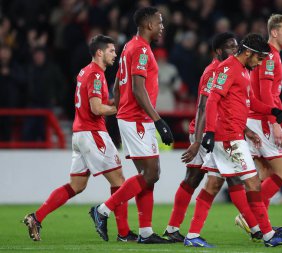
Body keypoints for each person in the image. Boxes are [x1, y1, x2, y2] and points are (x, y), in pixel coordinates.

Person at [183, 33, 282, 248]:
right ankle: (268, 235)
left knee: (213, 185)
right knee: (253, 182)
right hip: (228, 138)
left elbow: (250, 101)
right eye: (259, 58)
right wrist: (209, 132)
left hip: (232, 135)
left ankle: (192, 235)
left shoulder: (244, 71)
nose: (260, 63)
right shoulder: (227, 68)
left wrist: (271, 109)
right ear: (249, 53)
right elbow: (212, 100)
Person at [23, 35, 137, 242]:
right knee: (120, 181)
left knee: (77, 185)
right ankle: (124, 232)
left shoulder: (85, 71)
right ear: (100, 52)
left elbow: (92, 103)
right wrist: (119, 108)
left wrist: (112, 102)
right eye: (111, 50)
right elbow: (96, 108)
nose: (115, 54)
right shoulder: (95, 74)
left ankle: (36, 217)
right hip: (93, 133)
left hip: (80, 135)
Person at [89, 7, 174, 244]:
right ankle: (103, 210)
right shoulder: (142, 50)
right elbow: (138, 88)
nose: (162, 27)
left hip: (132, 117)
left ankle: (145, 232)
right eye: (159, 22)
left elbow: (117, 82)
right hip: (138, 119)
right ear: (148, 25)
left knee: (147, 175)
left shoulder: (129, 45)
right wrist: (159, 121)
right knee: (151, 174)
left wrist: (119, 107)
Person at [162, 32, 238, 242]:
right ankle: (259, 227)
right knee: (225, 179)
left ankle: (172, 229)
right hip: (206, 133)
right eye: (230, 47)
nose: (235, 50)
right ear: (218, 51)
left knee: (193, 179)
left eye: (236, 46)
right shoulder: (213, 72)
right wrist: (197, 140)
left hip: (210, 131)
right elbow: (204, 106)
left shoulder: (226, 69)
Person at [235, 13, 282, 233]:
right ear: (275, 32)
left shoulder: (267, 55)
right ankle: (249, 216)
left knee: (266, 174)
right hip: (263, 121)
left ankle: (260, 224)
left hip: (256, 118)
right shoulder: (271, 56)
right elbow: (266, 93)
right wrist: (275, 122)